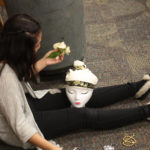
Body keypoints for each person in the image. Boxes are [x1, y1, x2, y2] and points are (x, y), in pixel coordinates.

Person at [0, 14, 150, 150]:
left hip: (26, 102)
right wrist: (54, 149)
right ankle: (145, 112)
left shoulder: (9, 58)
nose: (39, 47)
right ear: (22, 49)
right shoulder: (5, 80)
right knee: (82, 115)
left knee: (76, 90)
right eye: (37, 45)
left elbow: (19, 76)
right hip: (23, 123)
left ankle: (136, 88)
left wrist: (45, 61)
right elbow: (21, 127)